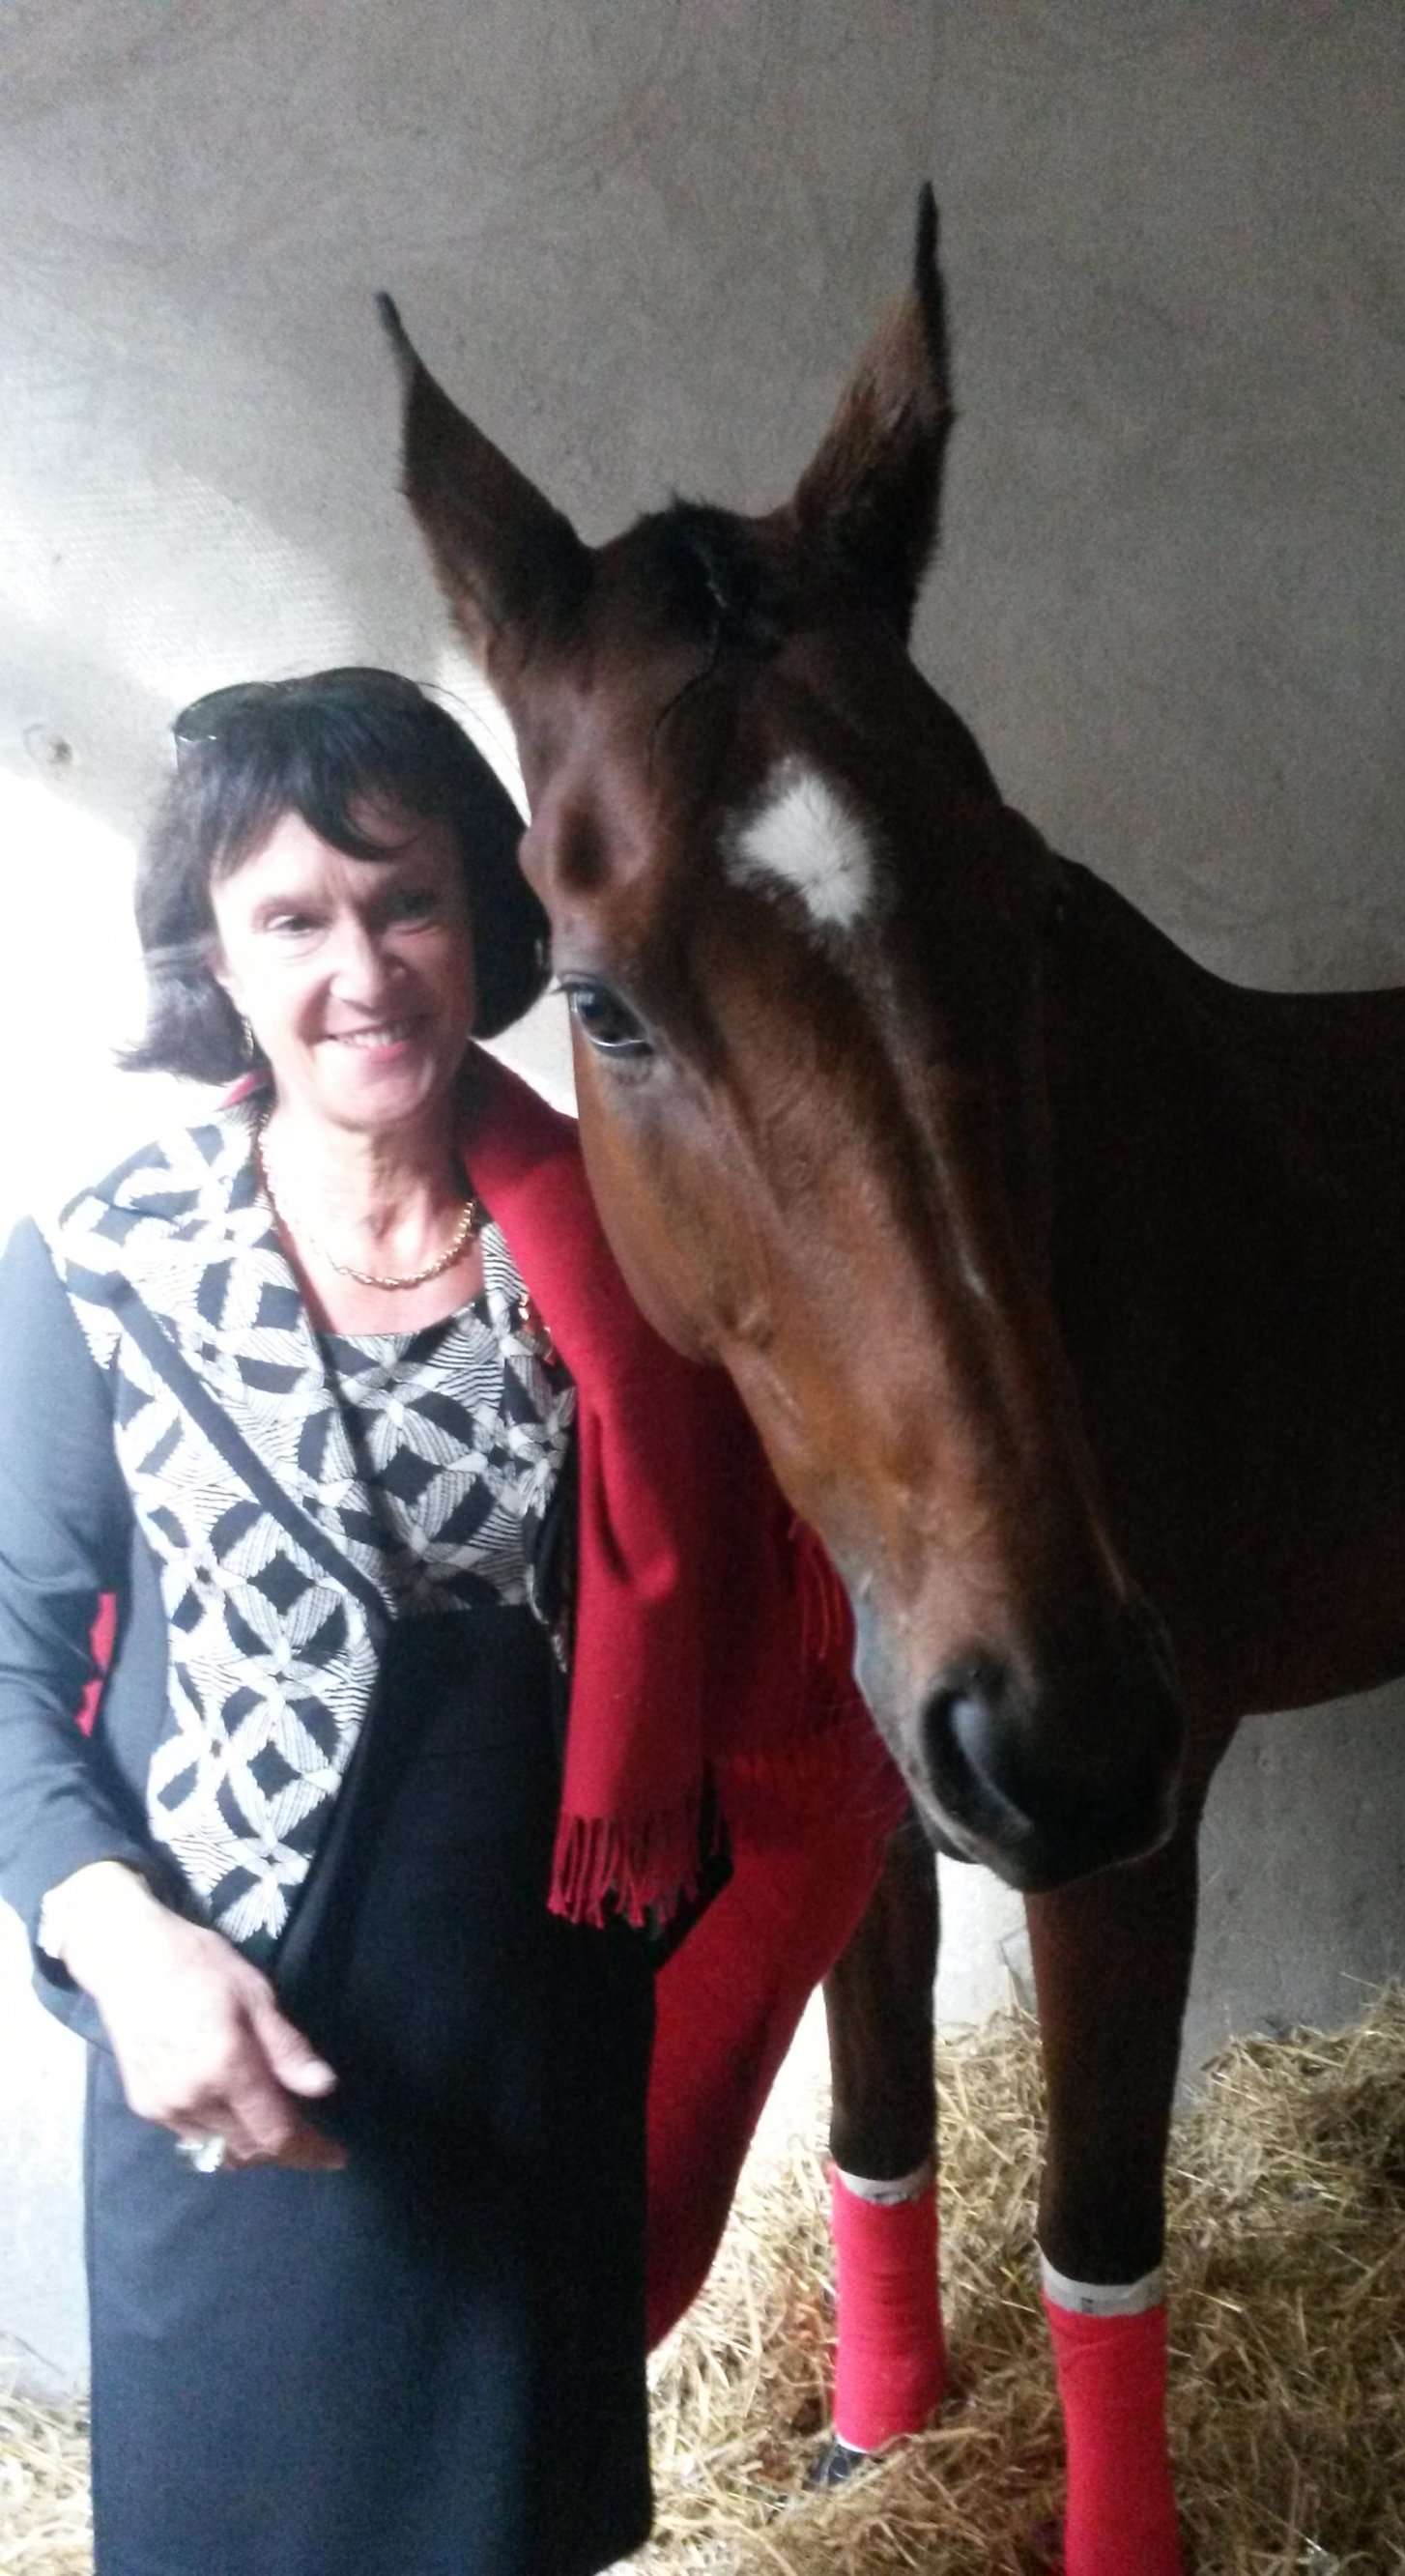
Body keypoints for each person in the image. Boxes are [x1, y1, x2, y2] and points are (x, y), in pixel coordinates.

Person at [0, 669, 897, 2576]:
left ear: (481, 914)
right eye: (293, 919)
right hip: (228, 2066)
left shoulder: (623, 1251)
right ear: (218, 959)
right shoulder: (100, 1263)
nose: (363, 972)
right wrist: (117, 1937)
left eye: (403, 900)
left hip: (530, 2073)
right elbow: (9, 1656)